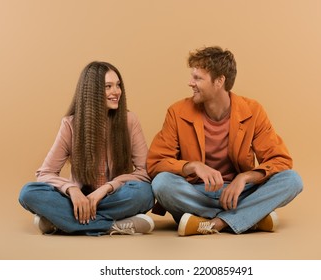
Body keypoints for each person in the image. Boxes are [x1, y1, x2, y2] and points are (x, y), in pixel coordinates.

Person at [147, 46, 303, 236]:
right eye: (192, 77)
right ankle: (248, 217)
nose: (190, 83)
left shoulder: (253, 110)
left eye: (197, 78)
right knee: (162, 183)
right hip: (195, 192)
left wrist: (244, 177)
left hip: (238, 193)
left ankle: (213, 223)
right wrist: (192, 166)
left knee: (292, 180)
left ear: (219, 81)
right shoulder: (177, 112)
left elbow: (280, 161)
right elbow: (156, 163)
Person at [19, 61, 154, 236]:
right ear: (92, 92)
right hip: (77, 201)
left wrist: (107, 188)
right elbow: (45, 173)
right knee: (28, 193)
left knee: (145, 193)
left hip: (114, 197)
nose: (117, 92)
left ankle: (61, 222)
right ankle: (112, 226)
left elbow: (144, 173)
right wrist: (72, 190)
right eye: (108, 86)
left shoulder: (129, 120)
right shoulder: (71, 124)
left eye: (118, 85)